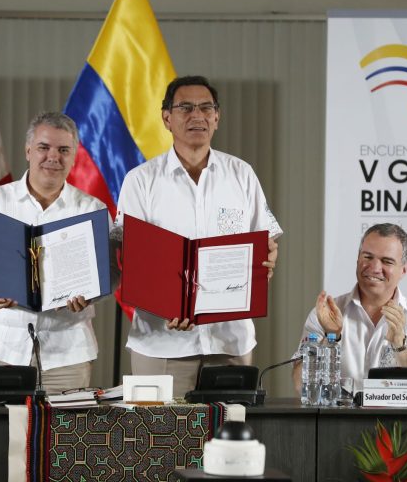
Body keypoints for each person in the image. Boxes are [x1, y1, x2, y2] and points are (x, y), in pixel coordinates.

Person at [115, 75, 282, 397]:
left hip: (230, 340)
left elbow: (265, 243)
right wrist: (165, 305)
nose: (197, 116)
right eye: (186, 107)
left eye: (206, 108)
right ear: (167, 118)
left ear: (217, 117)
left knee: (229, 440)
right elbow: (129, 257)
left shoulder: (242, 175)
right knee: (158, 442)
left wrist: (269, 258)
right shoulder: (140, 180)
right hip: (160, 342)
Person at [0, 111, 113, 394]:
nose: (53, 157)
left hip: (67, 356)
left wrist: (91, 294)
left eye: (64, 150)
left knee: (61, 438)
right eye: (44, 147)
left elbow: (110, 273)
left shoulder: (93, 210)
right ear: (28, 151)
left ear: (74, 155)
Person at [292, 223, 407, 394]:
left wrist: (401, 345)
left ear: (404, 269)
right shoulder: (327, 315)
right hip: (337, 420)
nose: (375, 268)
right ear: (357, 259)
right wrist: (332, 337)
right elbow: (298, 384)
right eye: (368, 257)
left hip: (398, 420)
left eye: (387, 261)